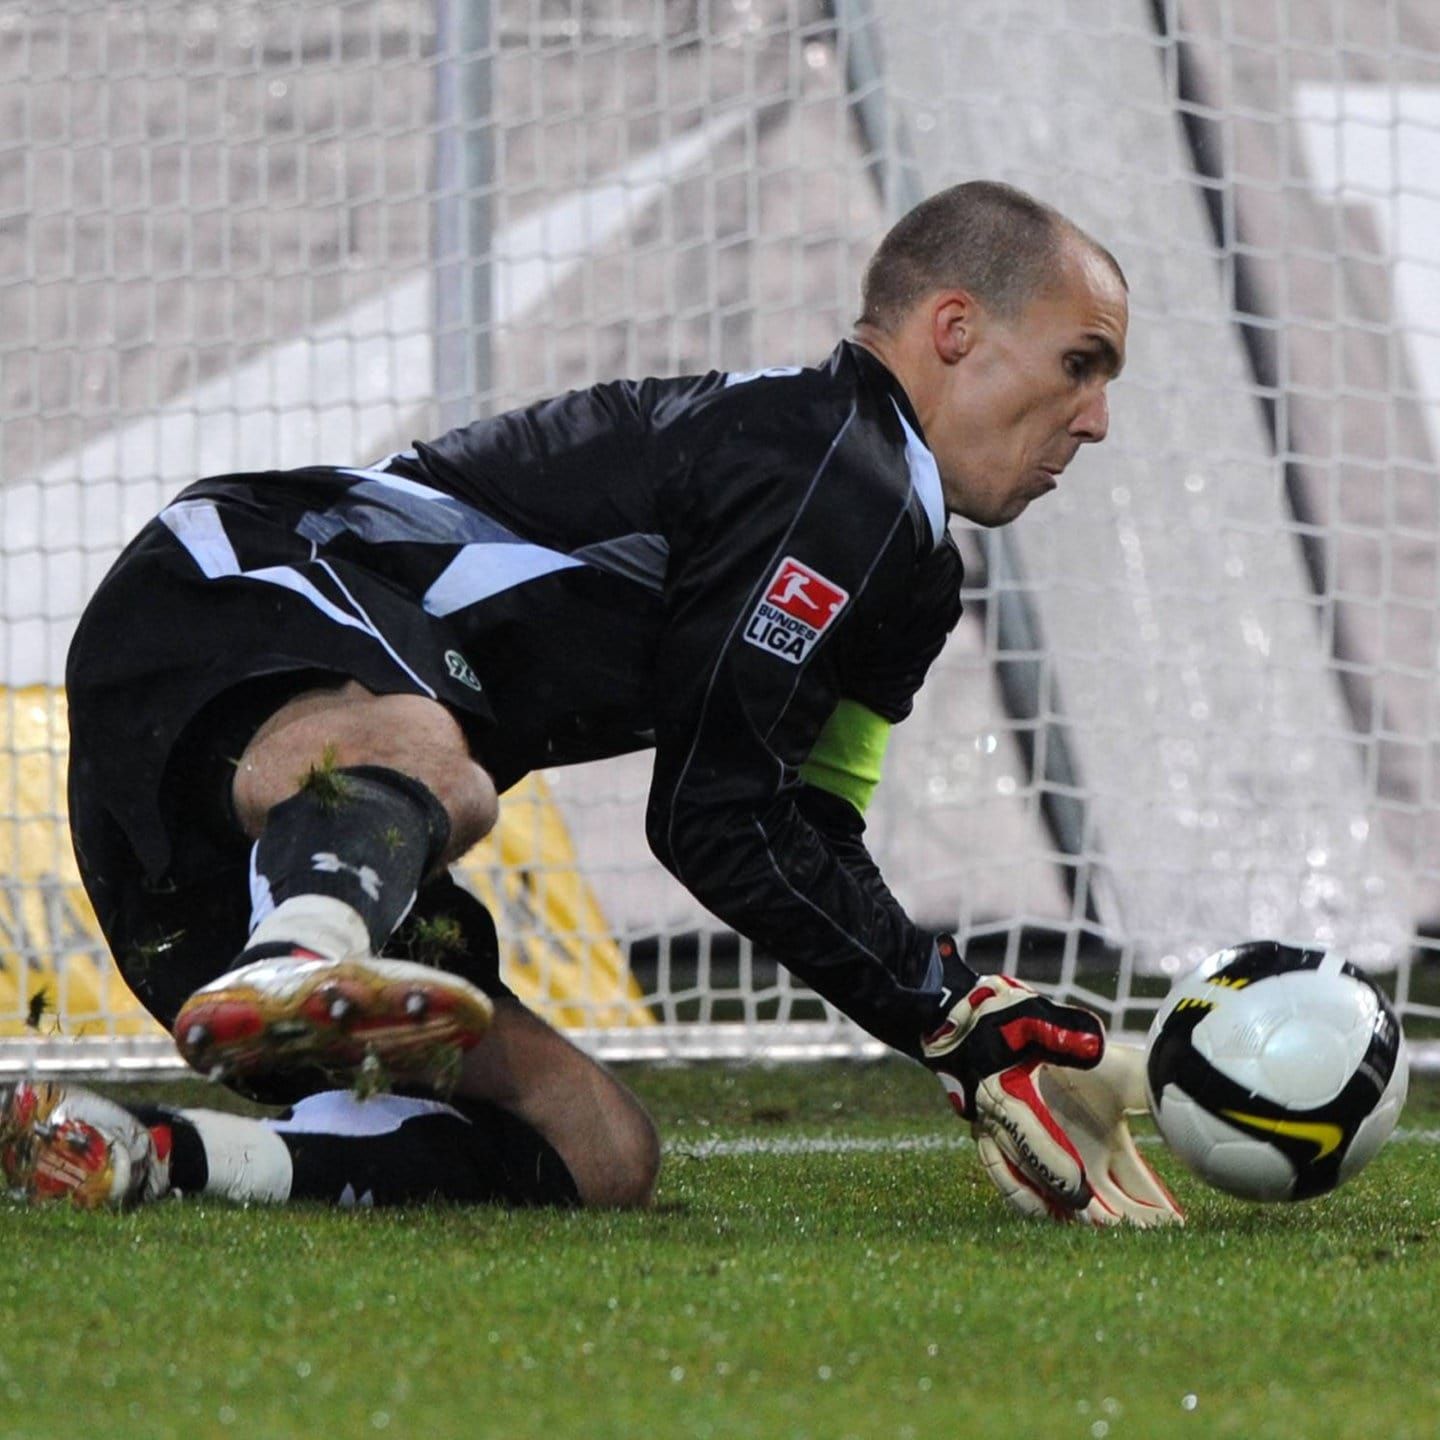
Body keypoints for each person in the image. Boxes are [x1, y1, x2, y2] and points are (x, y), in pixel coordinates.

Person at [2, 180, 1179, 1226]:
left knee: (598, 1151)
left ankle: (151, 1153)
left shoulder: (906, 575)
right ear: (955, 330)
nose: (1097, 419)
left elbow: (804, 825)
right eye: (1081, 363)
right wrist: (939, 1013)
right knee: (442, 772)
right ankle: (301, 958)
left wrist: (963, 1016)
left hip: (271, 845)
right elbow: (712, 818)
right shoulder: (835, 466)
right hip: (231, 589)